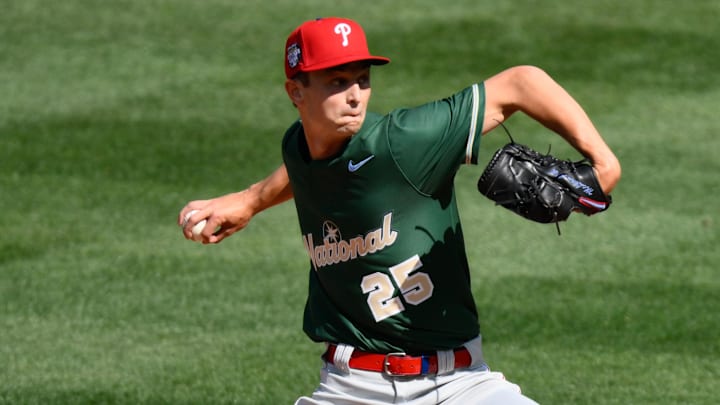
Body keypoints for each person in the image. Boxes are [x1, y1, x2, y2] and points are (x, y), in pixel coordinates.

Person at [178, 17, 621, 405]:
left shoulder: (405, 142)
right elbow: (309, 167)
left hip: (458, 385)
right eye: (336, 82)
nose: (355, 95)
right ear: (296, 92)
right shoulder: (299, 146)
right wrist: (251, 200)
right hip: (348, 389)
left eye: (362, 79)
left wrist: (604, 164)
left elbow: (522, 82)